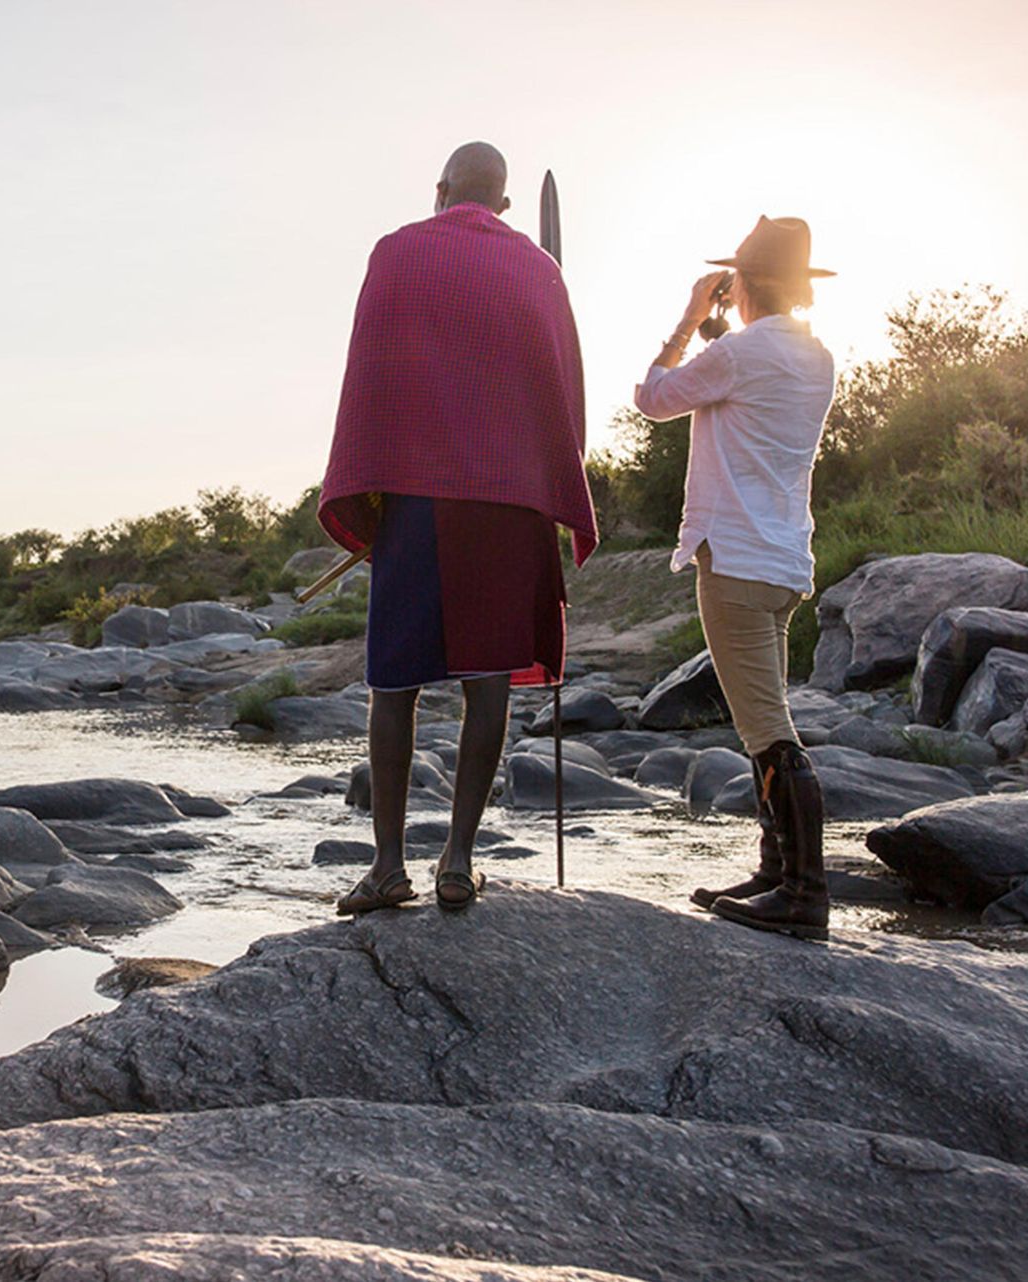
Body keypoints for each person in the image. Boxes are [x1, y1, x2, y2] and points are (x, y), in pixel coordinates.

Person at [318, 141, 599, 915]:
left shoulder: (396, 254)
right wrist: (550, 479)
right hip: (506, 503)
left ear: (441, 190)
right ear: (503, 204)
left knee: (394, 686)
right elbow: (565, 390)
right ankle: (458, 858)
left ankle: (385, 867)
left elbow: (370, 372)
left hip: (416, 497)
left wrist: (368, 495)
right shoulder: (539, 272)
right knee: (487, 682)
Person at [634, 216, 837, 941]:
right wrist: (726, 330)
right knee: (766, 719)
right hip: (783, 561)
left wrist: (691, 317)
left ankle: (804, 895)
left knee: (768, 730)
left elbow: (653, 398)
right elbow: (744, 380)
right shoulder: (815, 357)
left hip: (736, 561)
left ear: (744, 283)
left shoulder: (740, 353)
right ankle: (774, 872)